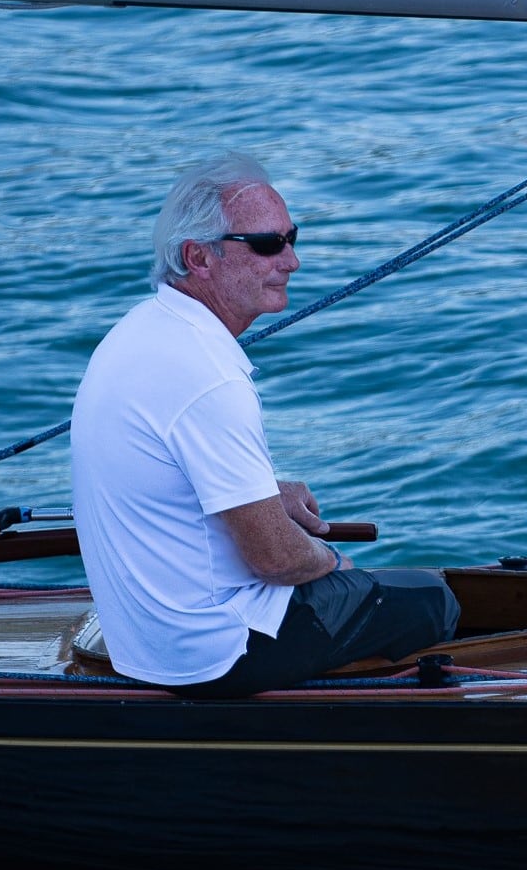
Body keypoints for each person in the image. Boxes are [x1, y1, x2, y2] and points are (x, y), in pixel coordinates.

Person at [70, 154, 459, 695]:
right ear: (197, 257)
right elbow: (276, 560)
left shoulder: (139, 332)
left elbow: (170, 477)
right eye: (268, 245)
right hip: (215, 652)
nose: (293, 261)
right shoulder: (208, 378)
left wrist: (264, 494)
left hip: (146, 639)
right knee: (433, 599)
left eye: (291, 237)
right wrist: (333, 563)